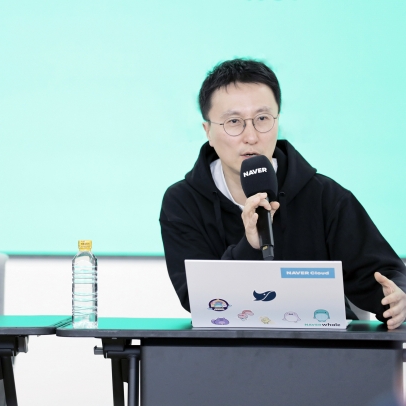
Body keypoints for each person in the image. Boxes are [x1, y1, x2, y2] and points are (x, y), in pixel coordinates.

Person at [159, 59, 406, 329]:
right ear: (208, 131)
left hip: (323, 354)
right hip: (226, 356)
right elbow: (197, 298)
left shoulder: (325, 196)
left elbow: (380, 276)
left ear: (278, 121)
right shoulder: (182, 202)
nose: (251, 136)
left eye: (262, 119)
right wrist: (248, 247)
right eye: (234, 122)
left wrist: (397, 298)